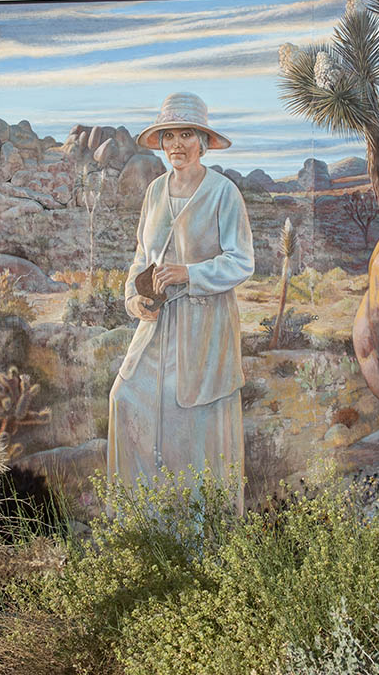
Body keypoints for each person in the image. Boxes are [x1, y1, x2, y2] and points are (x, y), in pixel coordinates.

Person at [107, 92, 254, 513]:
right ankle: (140, 524)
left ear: (203, 141)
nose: (176, 144)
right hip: (157, 324)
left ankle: (198, 537)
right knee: (125, 398)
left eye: (186, 134)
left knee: (191, 424)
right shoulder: (155, 192)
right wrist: (137, 301)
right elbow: (142, 256)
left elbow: (242, 261)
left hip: (204, 325)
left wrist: (191, 274)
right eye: (169, 135)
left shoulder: (224, 192)